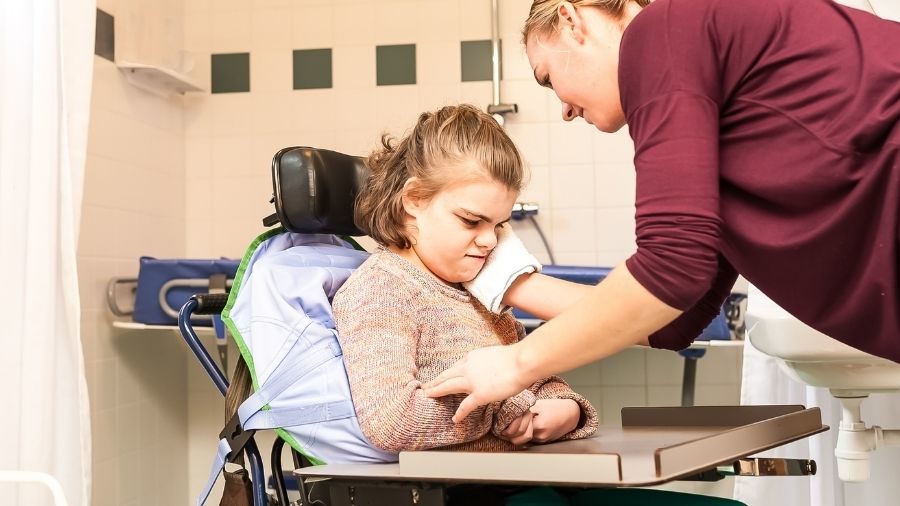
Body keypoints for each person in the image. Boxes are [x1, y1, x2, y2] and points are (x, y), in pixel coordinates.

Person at [424, 0, 900, 423]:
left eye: (548, 78)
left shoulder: (662, 28)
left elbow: (672, 267)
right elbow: (673, 319)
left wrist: (516, 363)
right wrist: (513, 282)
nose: (565, 110)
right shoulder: (704, 83)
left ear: (571, 19)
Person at [332, 104, 599, 455]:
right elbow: (392, 422)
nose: (490, 241)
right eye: (472, 221)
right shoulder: (383, 289)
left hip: (523, 479)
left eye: (499, 225)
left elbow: (536, 381)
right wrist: (504, 409)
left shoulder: (477, 288)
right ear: (414, 199)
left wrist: (566, 409)